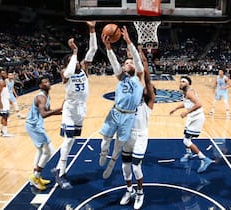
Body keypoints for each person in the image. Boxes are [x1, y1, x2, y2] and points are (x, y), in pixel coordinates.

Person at [51, 21, 97, 189]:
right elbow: (69, 71)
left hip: (81, 109)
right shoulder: (65, 73)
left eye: (77, 60)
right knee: (68, 139)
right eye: (74, 60)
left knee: (71, 140)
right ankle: (60, 173)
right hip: (70, 109)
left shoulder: (84, 68)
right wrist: (75, 52)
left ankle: (59, 169)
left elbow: (93, 50)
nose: (78, 62)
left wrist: (92, 30)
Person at [99, 25, 144, 172]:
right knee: (106, 139)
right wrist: (108, 48)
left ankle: (112, 163)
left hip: (129, 116)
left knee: (119, 142)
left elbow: (137, 60)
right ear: (124, 67)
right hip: (115, 112)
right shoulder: (121, 76)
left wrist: (129, 42)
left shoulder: (139, 76)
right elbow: (114, 62)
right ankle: (104, 152)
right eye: (126, 63)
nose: (129, 63)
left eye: (130, 62)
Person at [118, 46, 156, 210]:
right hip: (127, 134)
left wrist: (142, 58)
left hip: (141, 135)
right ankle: (129, 190)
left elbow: (145, 77)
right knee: (125, 166)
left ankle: (140, 192)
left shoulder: (148, 101)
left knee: (135, 166)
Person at [26, 77, 63, 191]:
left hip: (34, 126)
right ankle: (35, 176)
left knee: (41, 151)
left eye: (48, 81)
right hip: (34, 127)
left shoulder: (46, 96)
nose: (48, 83)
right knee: (49, 152)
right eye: (45, 82)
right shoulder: (41, 97)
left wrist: (62, 112)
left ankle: (36, 177)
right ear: (40, 86)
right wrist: (60, 108)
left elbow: (48, 110)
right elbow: (43, 114)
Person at [169, 76, 213, 173]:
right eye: (180, 81)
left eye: (184, 82)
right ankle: (189, 154)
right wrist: (175, 108)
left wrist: (186, 112)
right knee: (186, 135)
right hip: (192, 118)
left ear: (188, 84)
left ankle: (204, 159)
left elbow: (199, 104)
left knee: (186, 141)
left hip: (196, 118)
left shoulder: (189, 92)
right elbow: (186, 103)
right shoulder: (186, 92)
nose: (181, 83)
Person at [0, 70, 13, 137]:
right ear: (0, 75)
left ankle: (2, 131)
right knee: (5, 117)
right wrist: (1, 103)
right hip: (3, 101)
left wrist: (9, 99)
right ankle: (5, 132)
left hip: (5, 100)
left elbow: (6, 92)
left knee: (4, 116)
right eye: (2, 73)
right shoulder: (1, 82)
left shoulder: (5, 81)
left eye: (5, 73)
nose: (4, 74)